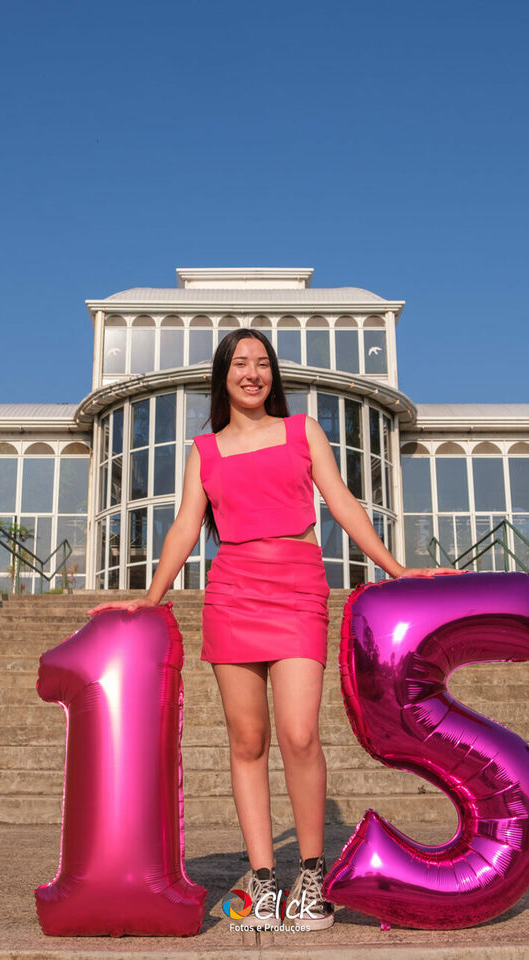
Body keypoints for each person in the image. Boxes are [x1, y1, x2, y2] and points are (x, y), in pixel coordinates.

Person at [90, 329, 452, 931]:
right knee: (247, 740)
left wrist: (396, 569)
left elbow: (341, 502)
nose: (252, 373)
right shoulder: (204, 450)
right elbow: (185, 526)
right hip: (231, 594)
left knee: (300, 734)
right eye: (240, 363)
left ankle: (312, 872)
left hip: (298, 589)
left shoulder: (302, 430)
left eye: (262, 363)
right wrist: (150, 598)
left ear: (273, 375)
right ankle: (263, 878)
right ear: (223, 376)